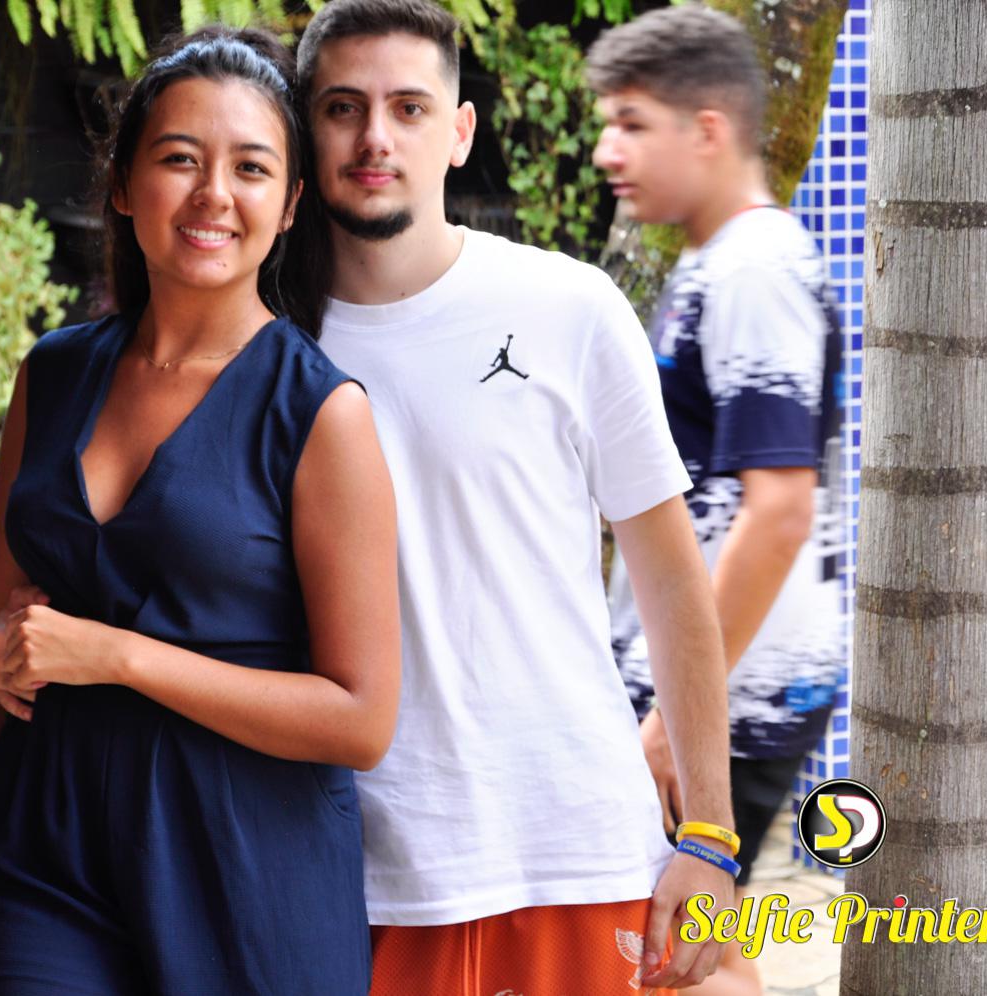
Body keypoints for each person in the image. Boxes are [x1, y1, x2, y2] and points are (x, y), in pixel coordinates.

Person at [0, 27, 400, 996]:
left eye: (251, 168)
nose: (214, 193)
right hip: (48, 855)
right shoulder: (54, 375)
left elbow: (361, 719)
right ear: (125, 184)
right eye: (180, 159)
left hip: (248, 866)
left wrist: (118, 657)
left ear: (290, 205)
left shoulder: (320, 413)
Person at [295, 0, 738, 992]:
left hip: (579, 850)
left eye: (410, 108)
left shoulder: (567, 308)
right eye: (343, 108)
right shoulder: (265, 343)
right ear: (304, 128)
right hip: (363, 875)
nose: (375, 138)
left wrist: (708, 834)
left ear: (459, 132)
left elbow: (672, 582)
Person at [590, 7, 846, 995]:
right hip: (710, 691)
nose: (608, 152)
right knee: (691, 955)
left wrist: (670, 721)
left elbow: (778, 513)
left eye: (632, 123)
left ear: (707, 130)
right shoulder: (720, 260)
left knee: (673, 961)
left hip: (729, 701)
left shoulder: (752, 270)